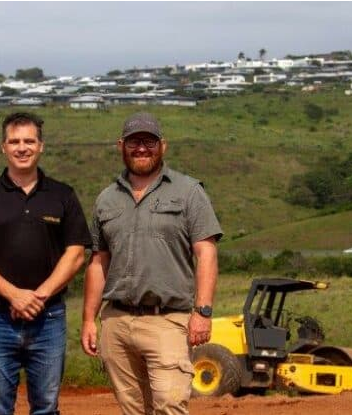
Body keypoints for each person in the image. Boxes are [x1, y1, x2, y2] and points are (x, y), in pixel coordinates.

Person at [80, 112, 222, 415]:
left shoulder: (188, 192)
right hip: (116, 322)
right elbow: (98, 263)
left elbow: (206, 253)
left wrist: (203, 312)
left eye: (149, 141)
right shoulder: (106, 199)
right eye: (134, 142)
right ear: (121, 145)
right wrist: (89, 320)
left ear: (163, 146)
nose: (141, 148)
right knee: (133, 409)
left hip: (168, 321)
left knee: (170, 405)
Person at [0, 112, 91, 415]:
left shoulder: (63, 195)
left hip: (49, 317)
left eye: (29, 141)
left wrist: (38, 296)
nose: (22, 147)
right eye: (14, 141)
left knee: (46, 407)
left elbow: (76, 254)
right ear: (3, 147)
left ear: (41, 146)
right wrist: (13, 294)